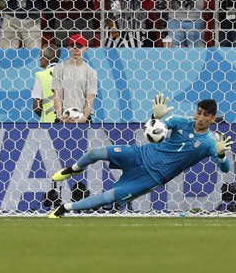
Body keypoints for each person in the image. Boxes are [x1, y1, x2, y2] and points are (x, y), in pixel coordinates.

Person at [49, 94, 234, 218]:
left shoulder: (210, 142)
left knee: (108, 198)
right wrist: (156, 116)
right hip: (140, 153)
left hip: (151, 177)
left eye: (205, 115)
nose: (200, 117)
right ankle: (72, 170)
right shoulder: (181, 121)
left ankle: (64, 208)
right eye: (199, 112)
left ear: (213, 118)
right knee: (95, 152)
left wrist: (221, 155)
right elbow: (151, 131)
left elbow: (225, 169)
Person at [50, 34, 97, 123]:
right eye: (73, 46)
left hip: (83, 119)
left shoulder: (91, 72)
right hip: (63, 118)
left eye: (79, 46)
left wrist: (83, 119)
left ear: (86, 48)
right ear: (69, 48)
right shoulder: (58, 69)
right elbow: (57, 96)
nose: (76, 49)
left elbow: (90, 98)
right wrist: (60, 116)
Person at [31, 45, 59, 123]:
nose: (39, 59)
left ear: (46, 58)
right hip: (66, 121)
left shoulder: (41, 75)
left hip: (47, 122)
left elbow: (37, 107)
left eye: (41, 56)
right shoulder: (67, 73)